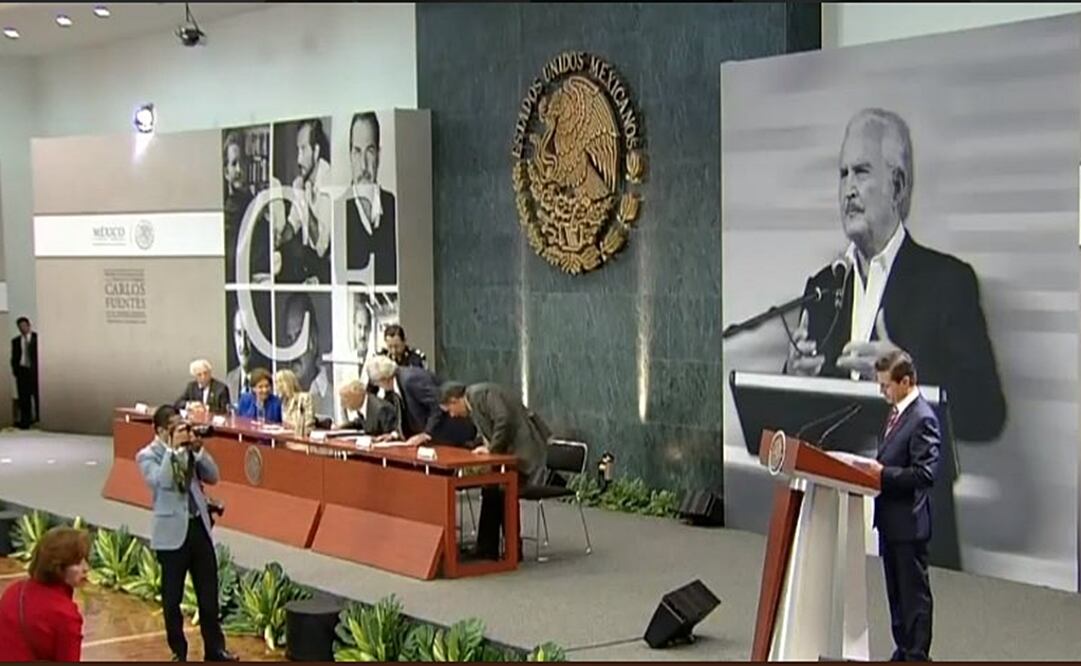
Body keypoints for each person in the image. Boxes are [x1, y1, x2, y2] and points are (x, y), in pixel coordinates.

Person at [786, 107, 1005, 444]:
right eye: (843, 174)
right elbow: (795, 422)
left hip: (908, 491)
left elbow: (986, 413)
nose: (848, 190)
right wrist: (793, 377)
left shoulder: (947, 282)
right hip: (831, 492)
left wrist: (906, 379)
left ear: (898, 185)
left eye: (861, 172)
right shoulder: (823, 287)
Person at [851, 351, 939, 662]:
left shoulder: (923, 418)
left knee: (913, 595)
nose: (882, 392)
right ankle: (903, 649)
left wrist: (882, 474)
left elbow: (925, 474)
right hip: (890, 520)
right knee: (896, 594)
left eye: (886, 386)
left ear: (906, 381)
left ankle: (916, 654)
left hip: (909, 523)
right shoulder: (897, 414)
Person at [135, 405, 237, 662]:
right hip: (171, 534)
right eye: (175, 426)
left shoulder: (190, 451)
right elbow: (163, 482)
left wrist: (198, 450)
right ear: (160, 430)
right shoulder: (148, 455)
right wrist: (172, 449)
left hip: (198, 528)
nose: (182, 430)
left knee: (208, 596)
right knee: (172, 600)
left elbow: (213, 476)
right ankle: (178, 652)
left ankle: (215, 649)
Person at [439, 381, 549, 560]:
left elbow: (503, 419)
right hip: (508, 454)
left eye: (450, 410)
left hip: (522, 453)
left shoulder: (481, 394)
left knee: (502, 491)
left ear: (454, 400)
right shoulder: (474, 402)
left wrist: (492, 450)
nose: (452, 415)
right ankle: (487, 548)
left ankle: (511, 550)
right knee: (491, 490)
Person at [0, 526, 89, 661]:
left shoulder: (14, 590)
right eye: (77, 563)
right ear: (58, 567)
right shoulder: (65, 614)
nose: (86, 568)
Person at [345, 112, 398, 285]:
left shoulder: (394, 206)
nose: (363, 165)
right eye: (357, 152)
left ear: (379, 155)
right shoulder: (337, 211)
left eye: (370, 151)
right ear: (349, 155)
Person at [279, 119, 331, 284]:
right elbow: (292, 226)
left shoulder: (330, 180)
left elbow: (322, 247)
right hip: (310, 269)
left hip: (329, 272)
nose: (298, 159)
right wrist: (277, 234)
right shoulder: (303, 181)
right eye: (297, 150)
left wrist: (302, 199)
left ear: (316, 151)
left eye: (303, 150)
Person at [364, 355, 440, 447]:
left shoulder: (410, 380)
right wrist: (394, 434)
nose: (378, 386)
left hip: (441, 436)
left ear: (384, 379)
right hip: (422, 439)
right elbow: (403, 415)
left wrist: (426, 433)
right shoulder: (397, 385)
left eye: (376, 383)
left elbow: (438, 404)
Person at [282, 293, 332, 418]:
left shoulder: (333, 397)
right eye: (289, 339)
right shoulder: (280, 397)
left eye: (299, 337)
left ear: (313, 341)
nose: (293, 349)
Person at [10, 316, 38, 429]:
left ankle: (38, 419)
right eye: (20, 327)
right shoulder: (16, 341)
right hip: (22, 371)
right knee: (23, 397)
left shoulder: (37, 338)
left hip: (35, 371)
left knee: (37, 396)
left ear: (29, 325)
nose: (22, 328)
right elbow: (14, 357)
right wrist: (15, 370)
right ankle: (25, 421)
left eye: (24, 326)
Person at [225, 307, 253, 401]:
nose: (243, 345)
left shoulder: (271, 379)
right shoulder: (229, 380)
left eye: (248, 335)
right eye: (239, 334)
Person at [275, 368, 314, 435]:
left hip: (301, 437)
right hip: (285, 437)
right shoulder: (280, 401)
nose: (277, 386)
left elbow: (309, 423)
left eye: (280, 381)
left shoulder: (304, 398)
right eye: (276, 382)